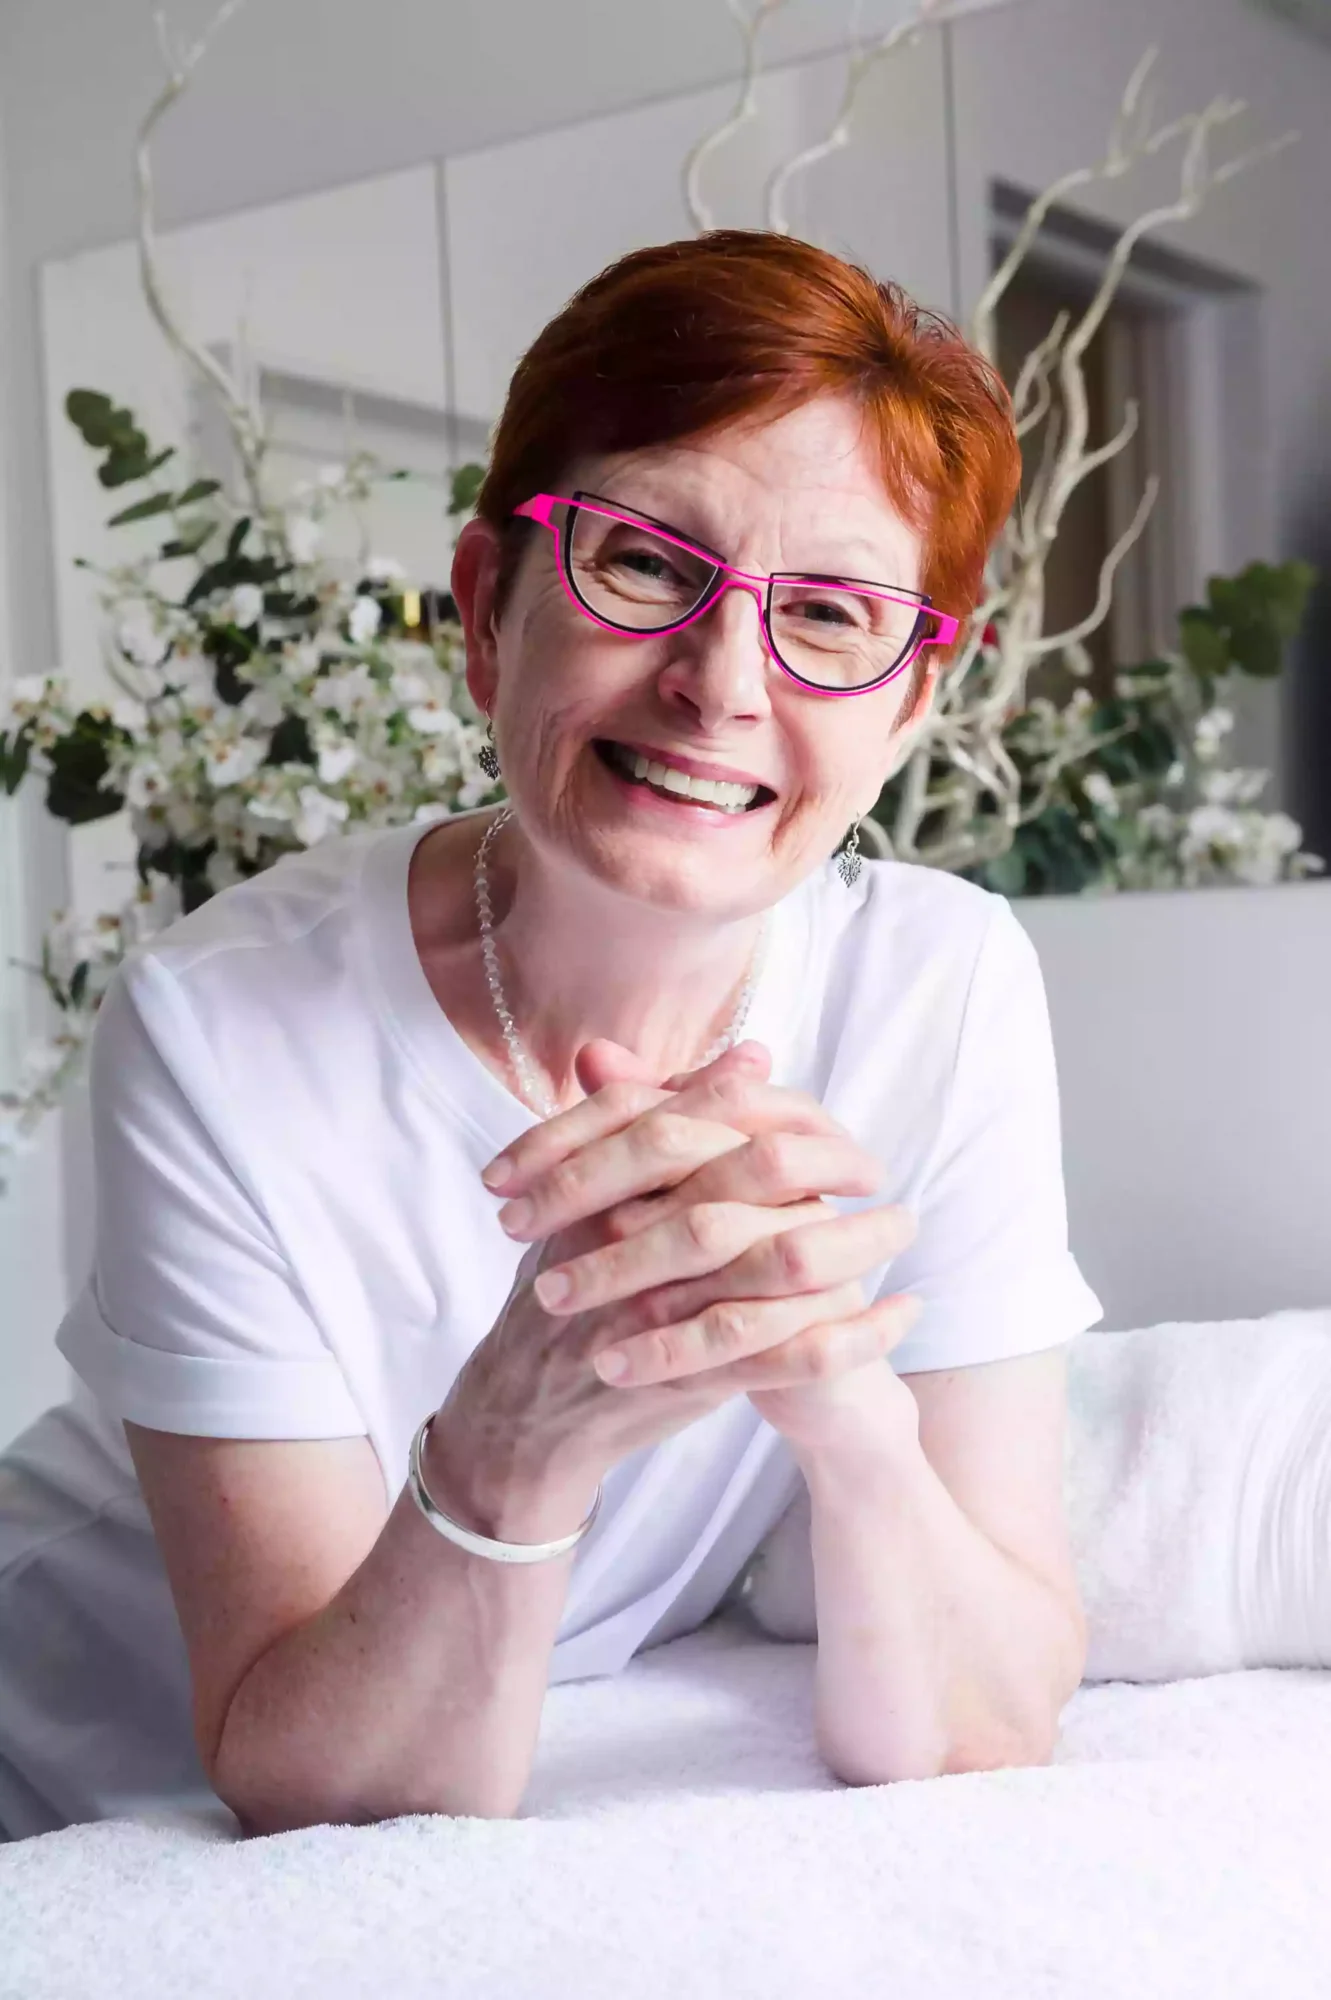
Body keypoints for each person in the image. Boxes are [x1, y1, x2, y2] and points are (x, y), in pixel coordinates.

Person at [0, 227, 1102, 1843]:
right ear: (484, 603)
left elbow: (979, 1718)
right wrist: (520, 1420)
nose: (724, 683)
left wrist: (835, 1398)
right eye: (645, 565)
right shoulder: (219, 1022)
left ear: (910, 704)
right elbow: (312, 1782)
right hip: (66, 1785)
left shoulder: (945, 987)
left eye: (832, 615)